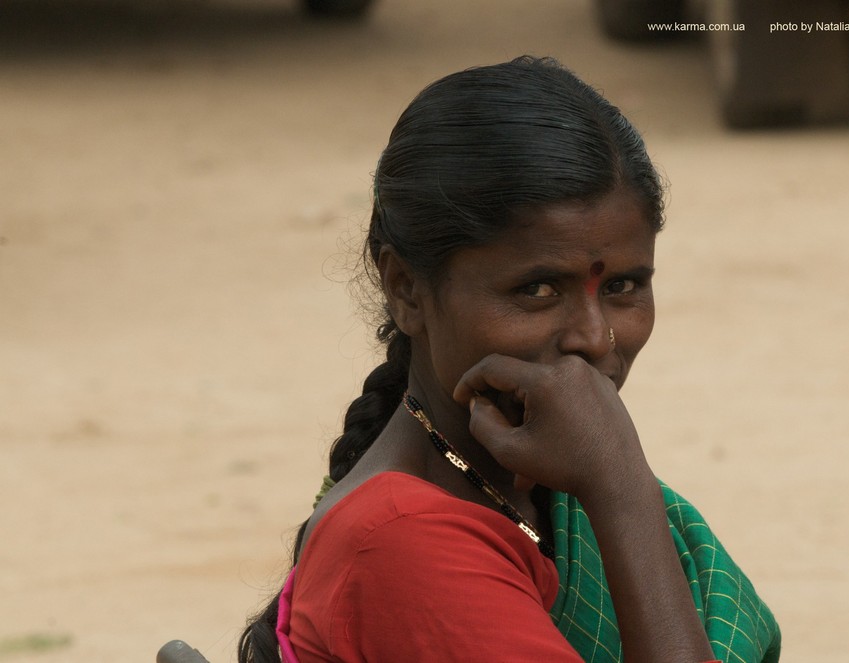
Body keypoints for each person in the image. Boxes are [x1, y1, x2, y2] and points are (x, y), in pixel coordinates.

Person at [234, 56, 781, 663]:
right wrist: (621, 486)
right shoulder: (400, 542)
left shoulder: (551, 493)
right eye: (537, 290)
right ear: (407, 289)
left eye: (624, 287)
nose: (595, 340)